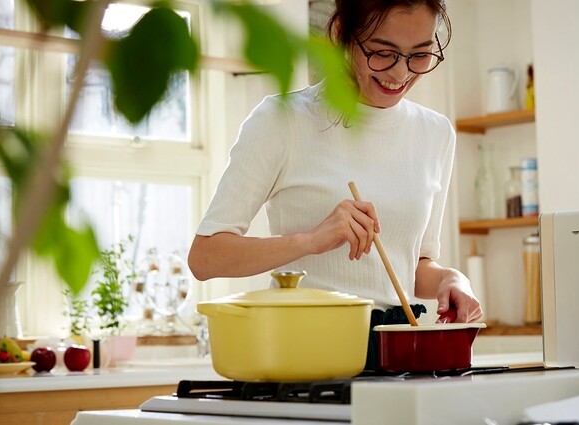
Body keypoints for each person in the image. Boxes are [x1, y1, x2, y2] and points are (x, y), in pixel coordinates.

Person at [188, 0, 483, 368]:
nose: (400, 72)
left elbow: (414, 264)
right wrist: (310, 240)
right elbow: (205, 257)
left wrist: (451, 281)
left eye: (420, 56)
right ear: (342, 36)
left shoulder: (435, 132)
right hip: (306, 344)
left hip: (396, 349)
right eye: (382, 53)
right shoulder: (281, 120)